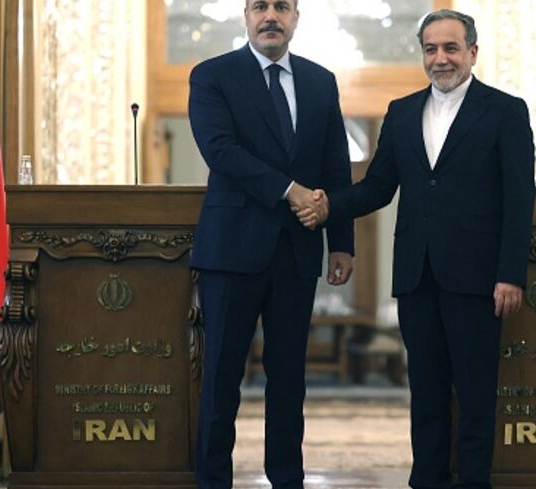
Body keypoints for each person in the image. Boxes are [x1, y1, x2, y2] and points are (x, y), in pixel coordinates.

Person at [297, 9, 535, 489]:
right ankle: (426, 481)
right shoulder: (402, 111)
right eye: (431, 49)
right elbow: (379, 187)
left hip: (478, 279)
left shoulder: (506, 111)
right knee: (424, 393)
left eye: (450, 48)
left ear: (472, 52)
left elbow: (519, 198)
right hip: (416, 277)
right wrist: (328, 208)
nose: (440, 59)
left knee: (474, 394)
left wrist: (510, 273)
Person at [187, 0, 354, 487]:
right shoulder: (213, 75)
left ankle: (287, 479)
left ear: (297, 17)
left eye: (281, 6)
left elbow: (335, 164)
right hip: (230, 251)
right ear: (245, 16)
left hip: (297, 252)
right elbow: (220, 150)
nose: (270, 16)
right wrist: (291, 190)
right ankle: (213, 481)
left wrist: (340, 240)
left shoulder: (321, 81)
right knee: (221, 380)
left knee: (289, 383)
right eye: (260, 6)